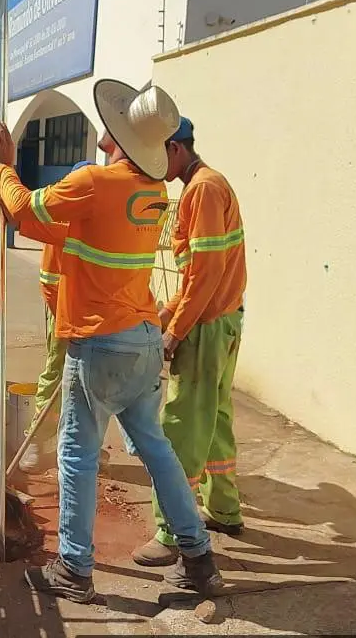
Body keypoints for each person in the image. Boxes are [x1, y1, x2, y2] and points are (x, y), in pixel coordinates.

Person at [0, 81, 222, 604]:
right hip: (141, 340)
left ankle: (74, 568)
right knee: (157, 451)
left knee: (77, 453)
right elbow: (72, 232)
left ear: (118, 136)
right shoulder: (152, 191)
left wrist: (4, 164)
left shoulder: (94, 182)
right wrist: (21, 215)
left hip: (99, 344)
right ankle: (199, 558)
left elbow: (28, 211)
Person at [132, 117, 247, 567]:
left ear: (175, 149)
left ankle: (173, 532)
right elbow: (201, 273)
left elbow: (207, 272)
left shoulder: (201, 190)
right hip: (223, 320)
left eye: (158, 155)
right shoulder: (210, 184)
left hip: (207, 326)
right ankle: (224, 510)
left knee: (181, 426)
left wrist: (175, 332)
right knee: (215, 421)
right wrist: (166, 312)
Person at [0, 159, 138, 474]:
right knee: (57, 373)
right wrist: (11, 210)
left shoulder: (88, 218)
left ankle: (84, 443)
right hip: (65, 309)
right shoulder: (69, 219)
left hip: (93, 313)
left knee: (93, 384)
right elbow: (28, 217)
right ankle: (36, 441)